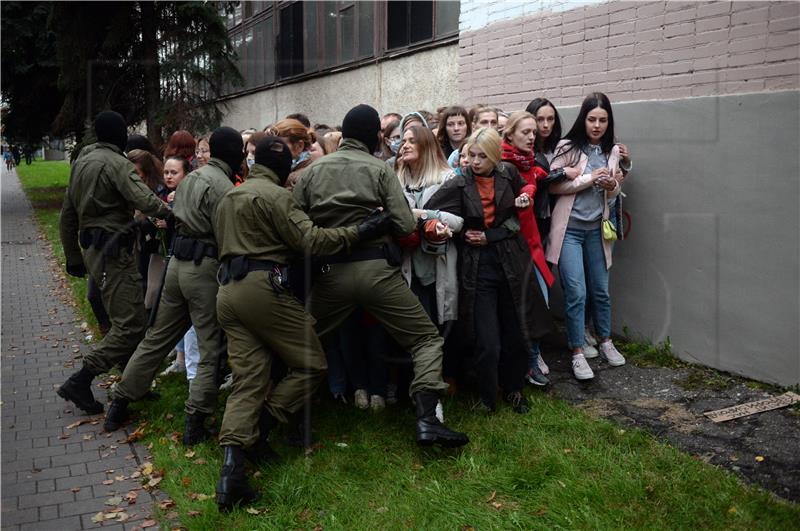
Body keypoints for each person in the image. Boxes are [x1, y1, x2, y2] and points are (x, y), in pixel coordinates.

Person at [213, 136, 391, 510]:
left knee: (248, 379)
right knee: (312, 362)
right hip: (263, 288)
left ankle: (232, 473)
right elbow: (311, 241)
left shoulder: (231, 195)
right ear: (282, 167)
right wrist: (361, 231)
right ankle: (263, 425)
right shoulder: (278, 196)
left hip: (227, 291)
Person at [293, 103, 469, 448]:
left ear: (343, 134)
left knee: (301, 341)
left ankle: (292, 416)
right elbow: (405, 224)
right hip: (378, 271)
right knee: (426, 340)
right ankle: (427, 420)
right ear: (376, 136)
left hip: (331, 273)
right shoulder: (380, 169)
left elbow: (295, 222)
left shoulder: (313, 171)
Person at [103, 127, 243, 444]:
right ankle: (195, 421)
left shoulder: (192, 178)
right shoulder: (223, 186)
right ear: (233, 153)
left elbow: (174, 213)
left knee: (157, 338)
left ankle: (120, 401)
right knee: (210, 347)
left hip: (176, 265)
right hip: (204, 269)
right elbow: (227, 234)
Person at [426, 128, 552, 413]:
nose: (475, 160)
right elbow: (432, 211)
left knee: (516, 332)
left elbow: (518, 216)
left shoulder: (507, 173)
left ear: (495, 156)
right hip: (478, 267)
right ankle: (487, 396)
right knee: (487, 340)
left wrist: (520, 204)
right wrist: (459, 232)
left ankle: (515, 390)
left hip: (511, 264)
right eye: (471, 154)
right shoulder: (459, 183)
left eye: (482, 156)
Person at [58, 111, 172, 414]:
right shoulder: (116, 163)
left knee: (127, 317)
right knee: (132, 323)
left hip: (95, 251)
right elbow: (144, 200)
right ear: (119, 135)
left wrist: (72, 257)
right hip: (114, 253)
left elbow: (67, 214)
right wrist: (174, 213)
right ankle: (81, 379)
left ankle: (135, 383)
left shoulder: (81, 161)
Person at [547, 92, 626, 381]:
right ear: (583, 119)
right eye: (592, 119)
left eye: (603, 120)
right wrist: (588, 179)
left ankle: (605, 341)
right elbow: (553, 187)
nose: (597, 125)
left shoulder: (612, 150)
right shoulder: (568, 146)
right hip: (569, 231)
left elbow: (614, 192)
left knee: (601, 291)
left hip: (597, 230)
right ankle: (577, 351)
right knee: (577, 292)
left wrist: (611, 184)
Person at [500, 112, 558, 387]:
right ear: (509, 135)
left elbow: (545, 178)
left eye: (534, 132)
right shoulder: (499, 164)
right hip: (510, 246)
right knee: (518, 308)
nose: (532, 136)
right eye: (526, 132)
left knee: (540, 302)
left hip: (531, 243)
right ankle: (525, 363)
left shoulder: (533, 163)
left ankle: (533, 359)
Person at [266, 119, 312, 191]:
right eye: (272, 146)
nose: (273, 151)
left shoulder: (305, 176)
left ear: (299, 146)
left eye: (279, 146)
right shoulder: (281, 171)